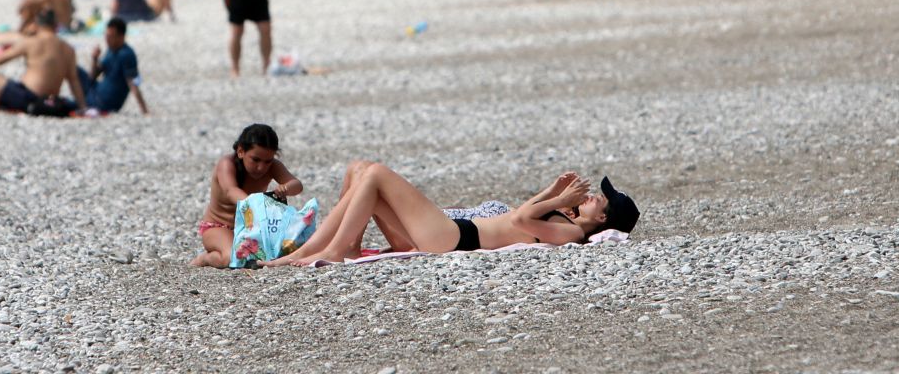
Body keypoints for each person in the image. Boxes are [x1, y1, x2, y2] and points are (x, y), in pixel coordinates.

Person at [266, 166, 638, 267]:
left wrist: (554, 197)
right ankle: (315, 250)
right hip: (452, 232)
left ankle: (336, 250)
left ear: (603, 220)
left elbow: (522, 221)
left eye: (599, 201)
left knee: (377, 172)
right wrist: (553, 194)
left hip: (455, 238)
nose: (592, 197)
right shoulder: (565, 222)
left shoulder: (572, 234)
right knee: (360, 171)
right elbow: (522, 217)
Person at [191, 124, 303, 268]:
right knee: (230, 258)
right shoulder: (227, 164)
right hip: (220, 226)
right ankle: (205, 259)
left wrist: (286, 188)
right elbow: (230, 191)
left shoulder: (273, 166)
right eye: (255, 160)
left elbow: (297, 185)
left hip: (253, 227)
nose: (261, 167)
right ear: (240, 151)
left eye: (267, 161)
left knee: (293, 248)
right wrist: (256, 205)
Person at [75, 17, 149, 115]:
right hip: (96, 93)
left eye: (111, 37)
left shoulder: (126, 54)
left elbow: (133, 83)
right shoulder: (111, 50)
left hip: (105, 103)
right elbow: (93, 76)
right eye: (106, 36)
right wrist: (95, 59)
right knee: (73, 68)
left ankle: (80, 104)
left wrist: (145, 110)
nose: (107, 40)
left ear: (121, 36)